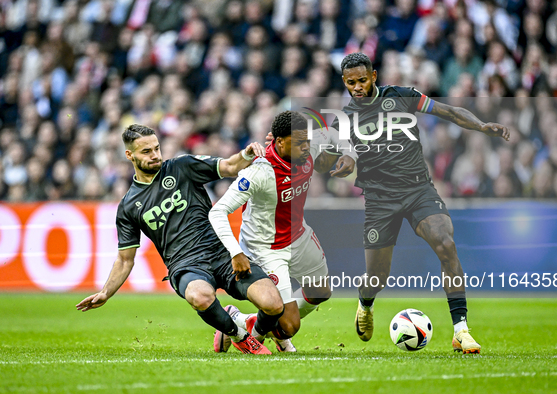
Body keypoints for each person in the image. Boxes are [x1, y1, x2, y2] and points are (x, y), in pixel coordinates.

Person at [334, 53, 510, 354]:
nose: (358, 87)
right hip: (380, 200)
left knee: (445, 243)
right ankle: (365, 303)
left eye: (362, 80)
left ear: (374, 76)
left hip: (418, 190)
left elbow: (449, 111)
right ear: (345, 83)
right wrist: (346, 161)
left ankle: (461, 330)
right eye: (351, 83)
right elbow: (347, 151)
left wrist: (480, 126)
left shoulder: (402, 97)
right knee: (376, 278)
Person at [76, 124, 285, 355]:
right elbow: (125, 260)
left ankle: (242, 330)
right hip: (185, 266)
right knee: (200, 296)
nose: (155, 155)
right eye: (146, 152)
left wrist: (246, 154)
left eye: (156, 148)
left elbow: (229, 166)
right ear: (129, 155)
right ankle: (241, 337)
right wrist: (106, 292)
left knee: (274, 304)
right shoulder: (128, 207)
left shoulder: (181, 167)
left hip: (222, 253)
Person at [208, 111, 356, 352]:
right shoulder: (259, 171)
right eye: (299, 143)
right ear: (279, 142)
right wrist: (236, 252)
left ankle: (245, 319)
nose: (307, 147)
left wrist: (350, 154)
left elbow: (332, 134)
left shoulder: (306, 146)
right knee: (288, 324)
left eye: (307, 141)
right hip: (266, 248)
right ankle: (249, 336)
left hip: (299, 236)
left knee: (321, 291)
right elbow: (218, 211)